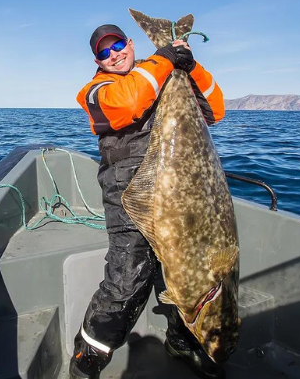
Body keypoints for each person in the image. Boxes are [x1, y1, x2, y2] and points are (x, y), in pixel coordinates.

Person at [70, 23, 226, 379]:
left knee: (180, 274)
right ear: (97, 60)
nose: (114, 55)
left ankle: (181, 341)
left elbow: (215, 111)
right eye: (104, 53)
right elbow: (126, 102)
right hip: (129, 198)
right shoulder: (96, 90)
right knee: (126, 279)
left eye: (119, 45)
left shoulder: (161, 73)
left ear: (130, 43)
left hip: (176, 195)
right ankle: (86, 361)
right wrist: (164, 58)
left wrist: (189, 66)